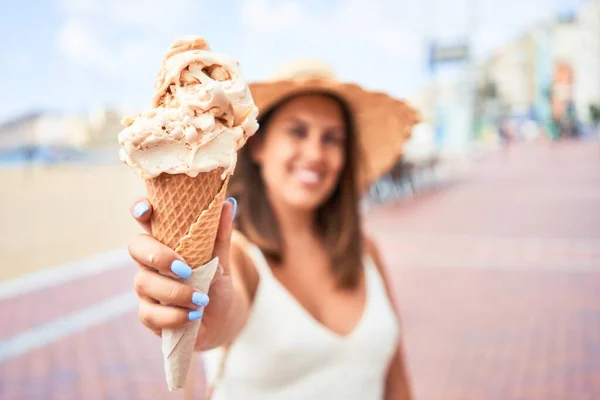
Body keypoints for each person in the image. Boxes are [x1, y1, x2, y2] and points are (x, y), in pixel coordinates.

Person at [127, 60, 419, 399]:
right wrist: (197, 315)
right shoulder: (238, 256)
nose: (315, 153)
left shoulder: (366, 252)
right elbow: (219, 319)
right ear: (260, 146)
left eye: (332, 139)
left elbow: (397, 384)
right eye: (297, 131)